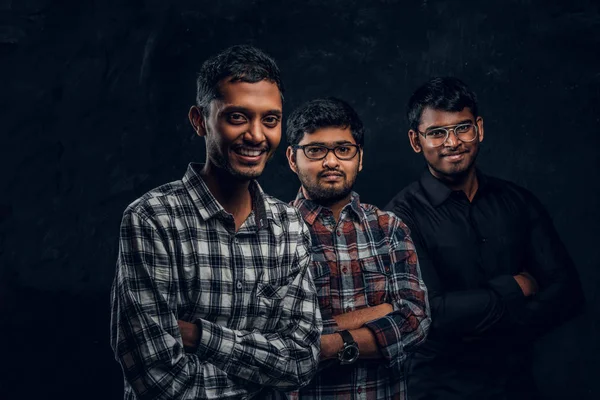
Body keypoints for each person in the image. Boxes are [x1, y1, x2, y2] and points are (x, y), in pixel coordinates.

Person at [110, 45, 322, 400]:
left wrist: (197, 336)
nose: (256, 135)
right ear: (199, 121)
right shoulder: (152, 219)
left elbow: (301, 361)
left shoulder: (290, 227)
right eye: (237, 117)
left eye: (270, 120)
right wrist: (263, 379)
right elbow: (160, 379)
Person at [385, 77, 585, 399]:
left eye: (462, 127)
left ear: (479, 127)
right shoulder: (399, 218)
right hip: (439, 390)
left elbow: (568, 293)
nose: (452, 142)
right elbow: (431, 313)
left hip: (515, 386)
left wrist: (498, 328)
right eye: (437, 133)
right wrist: (516, 288)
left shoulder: (518, 201)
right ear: (415, 140)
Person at [285, 97, 431, 399]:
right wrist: (381, 311)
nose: (331, 161)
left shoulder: (389, 228)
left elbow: (416, 321)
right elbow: (281, 338)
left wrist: (333, 344)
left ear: (359, 158)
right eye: (315, 150)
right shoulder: (273, 233)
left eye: (343, 149)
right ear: (291, 158)